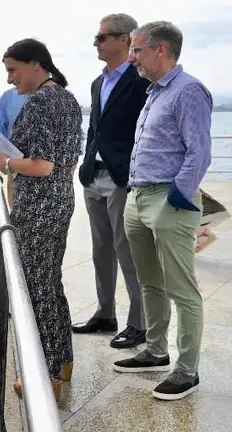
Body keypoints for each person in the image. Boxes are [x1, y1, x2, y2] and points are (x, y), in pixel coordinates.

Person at [114, 21, 212, 401]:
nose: (132, 57)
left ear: (161, 50)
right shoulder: (154, 92)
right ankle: (156, 350)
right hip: (137, 197)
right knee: (149, 282)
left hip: (167, 200)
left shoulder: (189, 91)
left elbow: (199, 153)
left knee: (181, 288)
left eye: (137, 50)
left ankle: (187, 370)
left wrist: (176, 198)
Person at [0, 38, 82, 400]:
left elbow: (42, 165)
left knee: (36, 288)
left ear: (35, 64)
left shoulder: (42, 103)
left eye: (13, 70)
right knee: (49, 282)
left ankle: (46, 375)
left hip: (39, 207)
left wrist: (7, 163)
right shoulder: (67, 99)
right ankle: (61, 362)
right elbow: (66, 160)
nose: (10, 79)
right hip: (60, 199)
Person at [73, 13, 150, 349]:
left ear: (126, 39)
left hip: (122, 178)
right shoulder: (97, 82)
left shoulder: (141, 80)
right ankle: (106, 314)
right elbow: (95, 128)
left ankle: (140, 324)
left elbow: (148, 129)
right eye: (96, 37)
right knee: (101, 250)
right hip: (94, 176)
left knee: (127, 251)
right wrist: (86, 162)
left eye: (103, 37)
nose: (96, 43)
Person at [0, 88, 28, 207]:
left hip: (55, 182)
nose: (10, 79)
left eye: (13, 70)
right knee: (16, 223)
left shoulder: (59, 96)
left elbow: (75, 139)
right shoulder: (9, 97)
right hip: (17, 177)